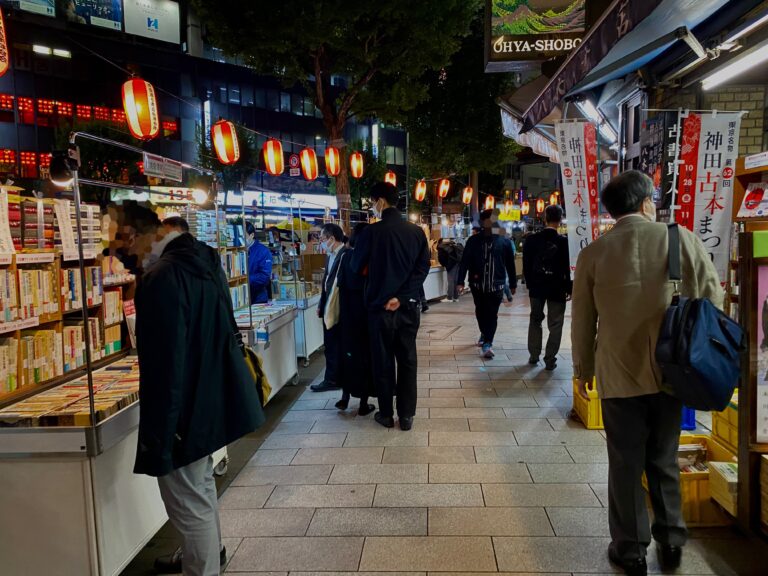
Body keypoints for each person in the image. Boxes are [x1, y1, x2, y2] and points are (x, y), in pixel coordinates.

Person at [571, 171, 722, 576]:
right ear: (645, 202)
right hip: (671, 370)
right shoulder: (681, 239)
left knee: (624, 460)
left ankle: (630, 548)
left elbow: (583, 320)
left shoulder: (594, 254)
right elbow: (713, 298)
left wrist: (583, 369)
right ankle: (671, 540)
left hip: (618, 373)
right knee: (663, 456)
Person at [111, 203, 264, 576]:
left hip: (184, 411)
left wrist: (164, 432)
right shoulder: (203, 261)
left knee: (187, 498)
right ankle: (208, 556)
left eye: (120, 247)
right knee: (200, 489)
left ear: (136, 237)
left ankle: (203, 567)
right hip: (208, 397)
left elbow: (166, 364)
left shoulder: (162, 278)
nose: (119, 257)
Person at [351, 182, 430, 431]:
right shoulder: (416, 233)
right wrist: (403, 296)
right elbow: (422, 268)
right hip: (407, 309)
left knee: (383, 361)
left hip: (378, 309)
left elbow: (355, 267)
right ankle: (406, 416)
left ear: (381, 202)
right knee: (407, 360)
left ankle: (386, 414)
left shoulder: (370, 234)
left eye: (372, 203)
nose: (372, 208)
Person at [456, 209, 517, 359]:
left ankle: (488, 342)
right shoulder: (473, 241)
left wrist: (513, 283)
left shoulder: (505, 241)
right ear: (483, 222)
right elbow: (465, 262)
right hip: (477, 284)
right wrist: (459, 282)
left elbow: (510, 264)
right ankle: (484, 332)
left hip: (497, 285)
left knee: (492, 313)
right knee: (480, 311)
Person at [523, 204, 571, 370]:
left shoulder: (531, 240)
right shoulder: (564, 242)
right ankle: (550, 358)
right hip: (557, 288)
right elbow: (568, 268)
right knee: (556, 323)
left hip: (536, 287)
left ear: (545, 218)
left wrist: (529, 283)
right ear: (560, 219)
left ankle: (534, 355)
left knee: (535, 320)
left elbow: (526, 265)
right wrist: (569, 288)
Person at [334, 222, 376, 415]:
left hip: (347, 317)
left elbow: (338, 283)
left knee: (348, 354)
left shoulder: (344, 256)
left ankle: (344, 397)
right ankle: (363, 404)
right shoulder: (369, 258)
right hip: (366, 317)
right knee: (366, 357)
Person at [310, 223, 348, 393]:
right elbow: (326, 281)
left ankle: (333, 379)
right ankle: (334, 377)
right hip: (328, 306)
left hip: (340, 308)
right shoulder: (329, 256)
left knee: (336, 344)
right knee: (330, 344)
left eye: (323, 239)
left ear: (332, 238)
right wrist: (321, 304)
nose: (322, 243)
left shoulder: (346, 255)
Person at [245, 222, 273, 304]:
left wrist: (245, 280)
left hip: (258, 299)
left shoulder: (263, 251)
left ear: (252, 235)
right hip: (242, 299)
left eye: (244, 236)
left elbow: (264, 277)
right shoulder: (237, 250)